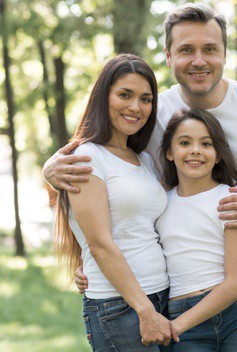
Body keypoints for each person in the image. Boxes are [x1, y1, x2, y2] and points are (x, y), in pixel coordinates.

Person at [44, 3, 237, 351]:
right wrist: (50, 172)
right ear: (169, 55)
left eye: (210, 49)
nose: (199, 60)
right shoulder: (152, 114)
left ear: (224, 54)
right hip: (183, 289)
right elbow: (108, 175)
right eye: (186, 50)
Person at [53, 54, 173, 351]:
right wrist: (145, 310)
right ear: (102, 97)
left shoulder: (143, 158)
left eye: (146, 99)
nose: (136, 107)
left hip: (160, 295)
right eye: (124, 95)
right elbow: (101, 244)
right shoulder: (88, 157)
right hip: (120, 306)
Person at [158, 109, 237, 351]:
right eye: (185, 142)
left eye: (206, 144)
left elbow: (235, 283)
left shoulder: (230, 198)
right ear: (169, 152)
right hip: (186, 322)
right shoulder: (158, 203)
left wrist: (174, 327)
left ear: (218, 155)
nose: (195, 150)